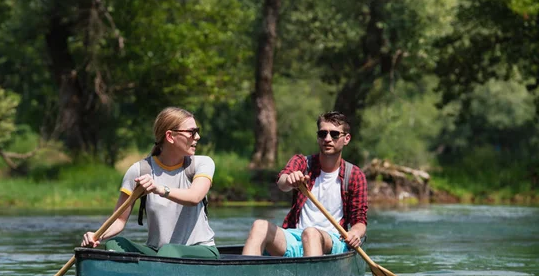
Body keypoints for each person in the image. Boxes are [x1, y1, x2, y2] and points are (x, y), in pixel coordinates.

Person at [81, 107, 219, 259]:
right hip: (158, 253)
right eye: (191, 132)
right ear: (170, 136)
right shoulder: (139, 171)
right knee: (114, 244)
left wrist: (159, 189)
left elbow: (195, 197)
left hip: (200, 251)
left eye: (197, 131)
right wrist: (97, 236)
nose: (197, 137)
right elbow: (119, 220)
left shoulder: (202, 163)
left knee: (169, 251)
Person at [242, 111, 367, 257]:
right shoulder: (302, 162)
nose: (327, 139)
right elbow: (282, 182)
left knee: (311, 233)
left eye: (334, 134)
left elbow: (360, 221)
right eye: (322, 134)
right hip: (295, 236)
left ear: (346, 139)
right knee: (259, 226)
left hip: (333, 239)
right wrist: (290, 180)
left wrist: (354, 233)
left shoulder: (354, 175)